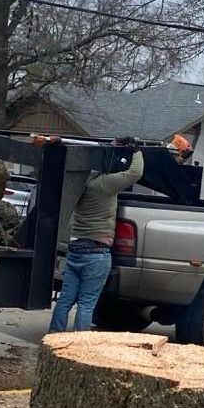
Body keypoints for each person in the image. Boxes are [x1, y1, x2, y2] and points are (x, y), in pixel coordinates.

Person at [48, 140, 145, 332]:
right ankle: (79, 343)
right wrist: (137, 152)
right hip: (96, 252)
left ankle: (54, 334)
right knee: (86, 303)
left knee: (66, 299)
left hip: (75, 250)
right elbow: (135, 173)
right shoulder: (105, 184)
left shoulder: (81, 184)